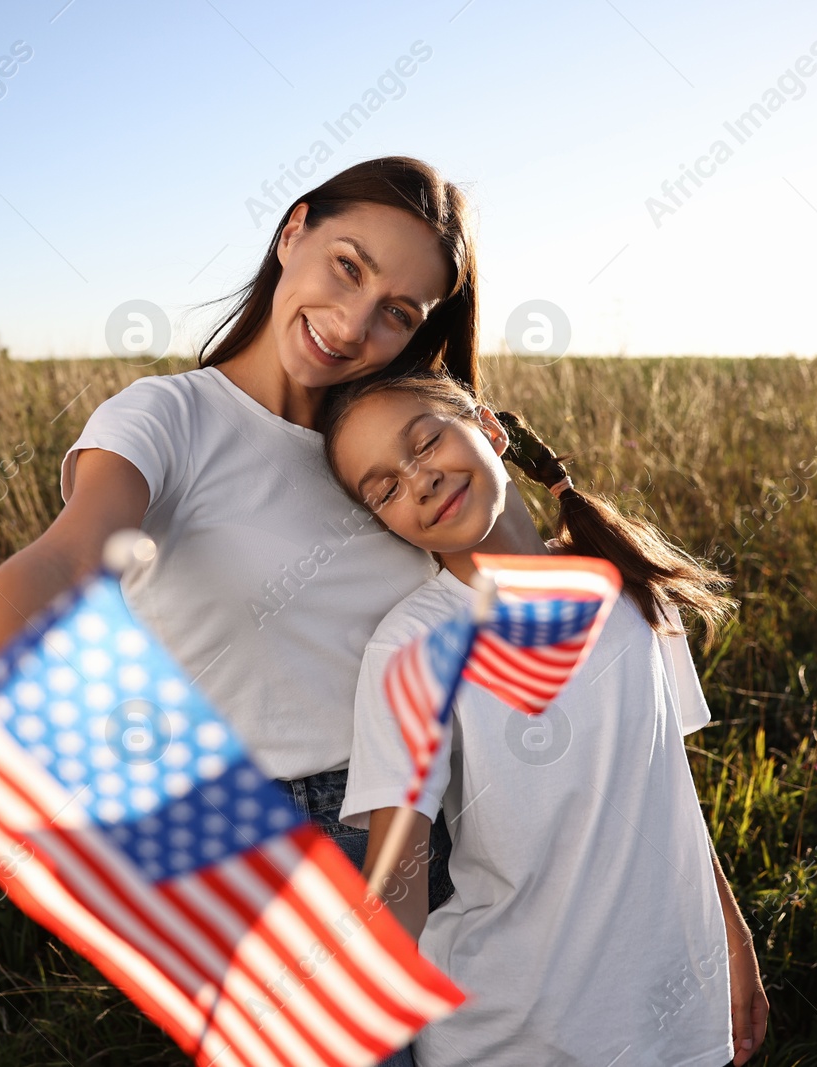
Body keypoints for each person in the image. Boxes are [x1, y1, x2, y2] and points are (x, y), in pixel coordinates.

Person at [0, 157, 476, 1067]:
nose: (355, 324)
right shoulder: (169, 418)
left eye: (399, 311)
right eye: (347, 265)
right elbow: (62, 565)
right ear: (293, 232)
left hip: (427, 821)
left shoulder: (386, 443)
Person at [321, 371, 771, 1066]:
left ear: (491, 430)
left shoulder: (628, 583)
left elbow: (667, 786)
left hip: (674, 1011)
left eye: (425, 442)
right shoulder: (412, 646)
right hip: (512, 1036)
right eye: (382, 488)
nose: (418, 482)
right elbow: (399, 875)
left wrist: (732, 936)